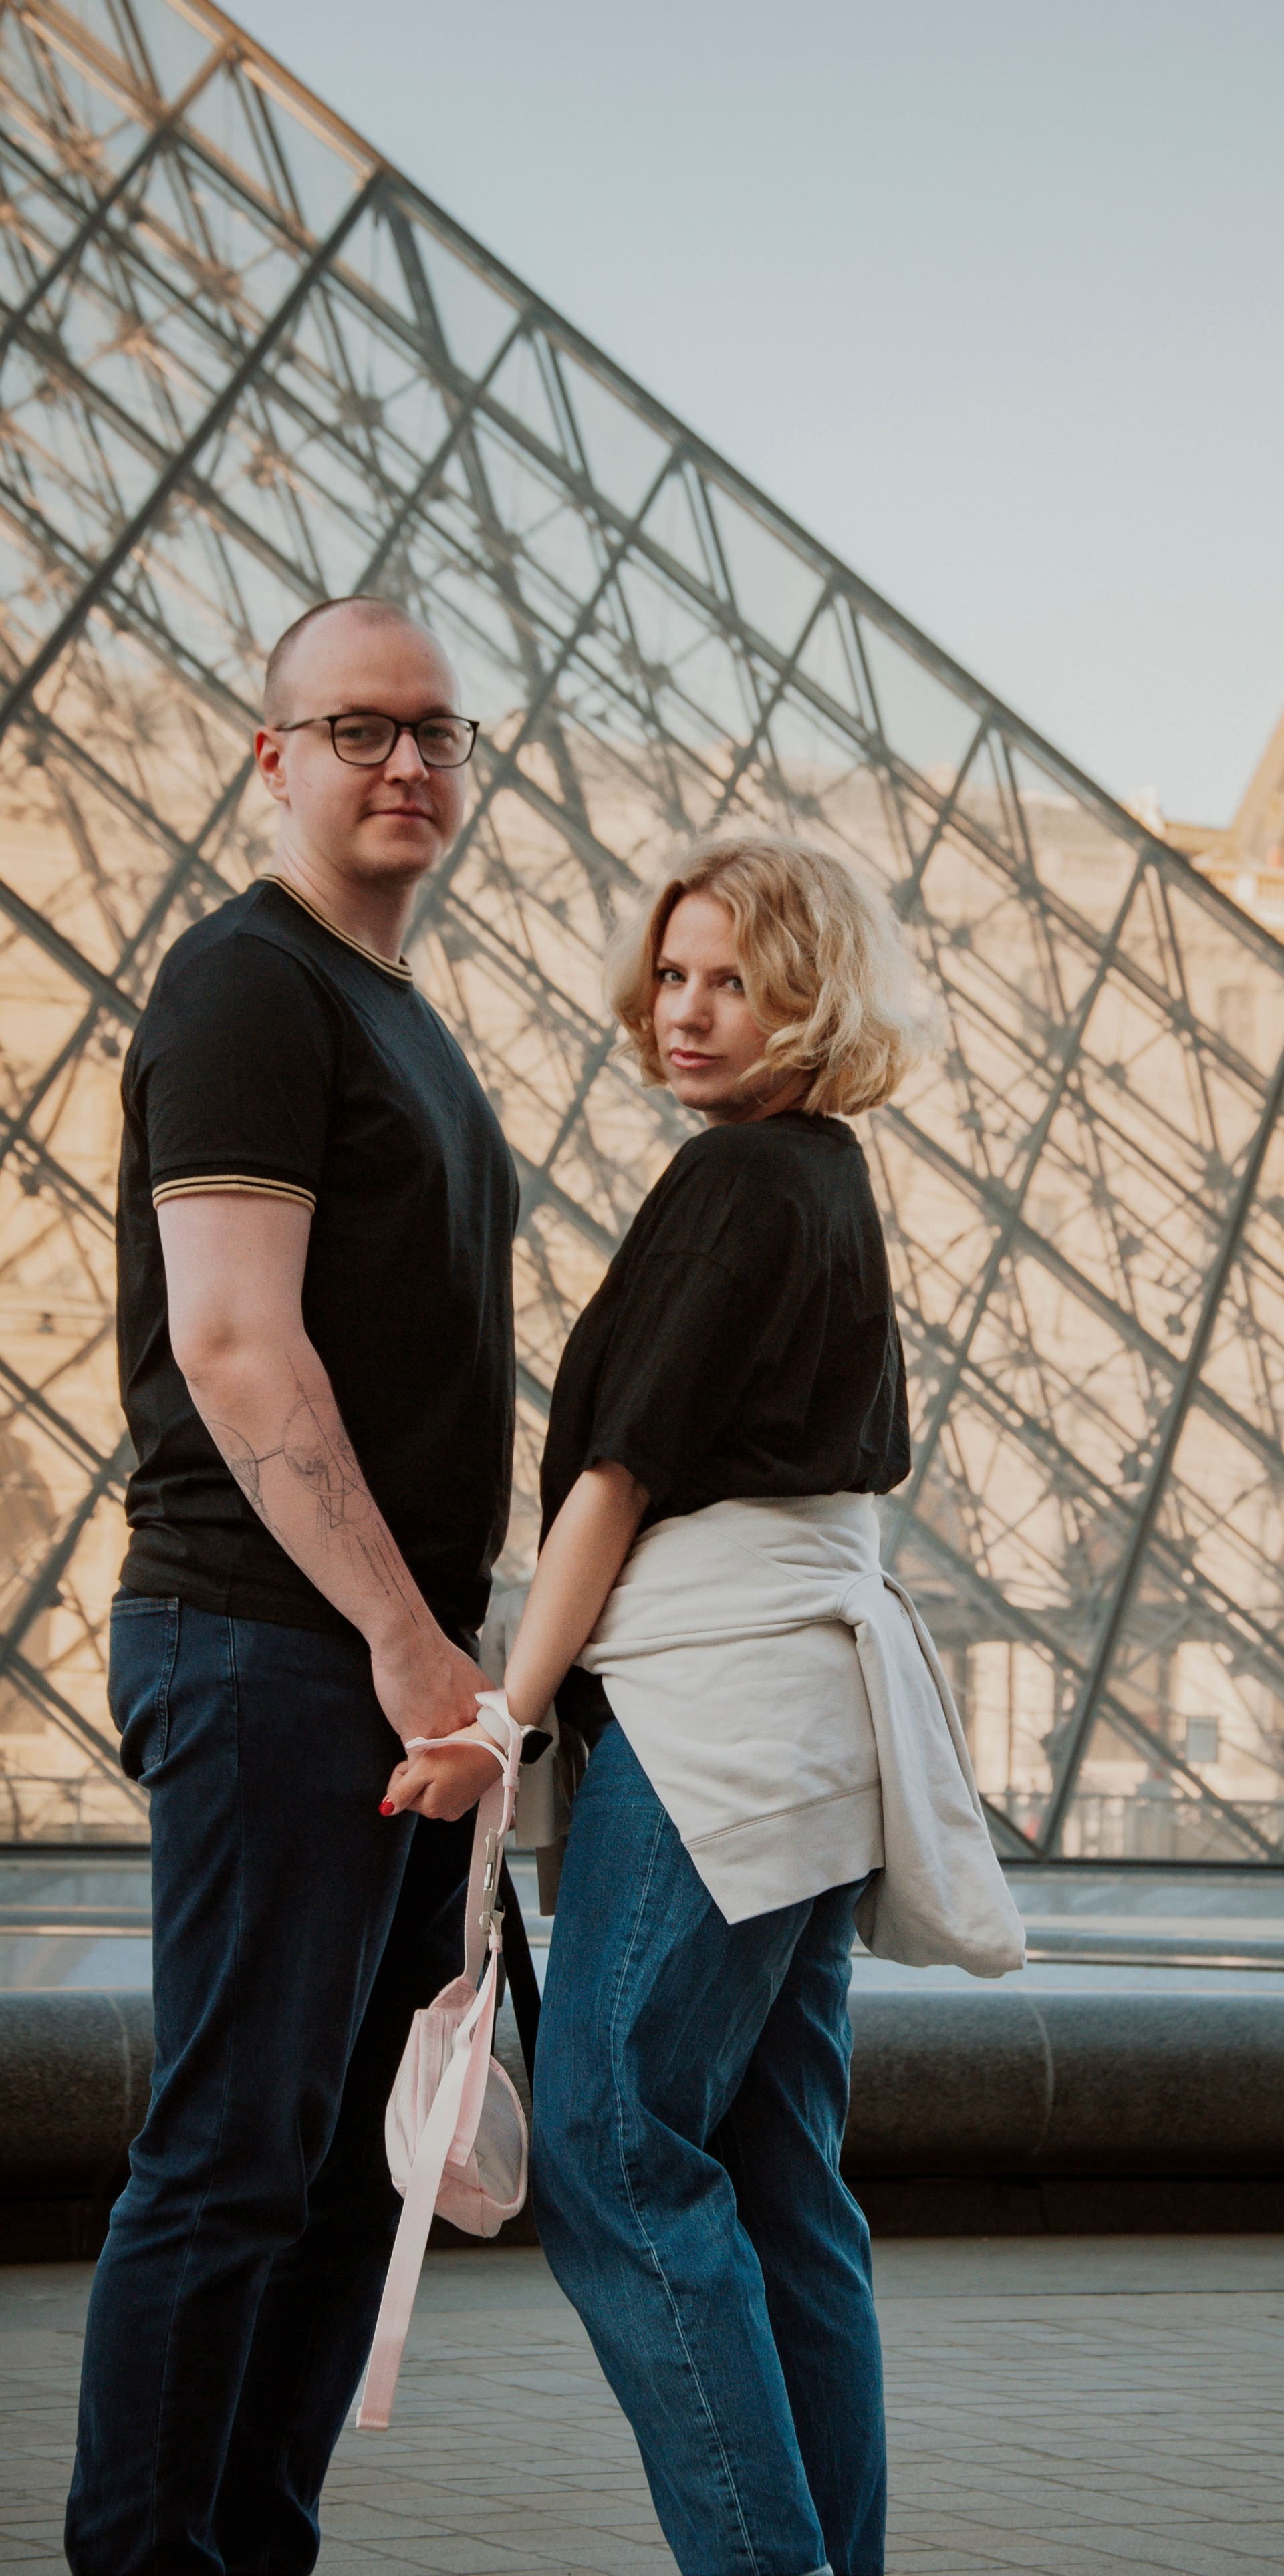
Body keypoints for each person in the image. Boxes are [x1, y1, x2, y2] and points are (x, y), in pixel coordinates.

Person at [386, 827, 1021, 2576]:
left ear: (808, 992)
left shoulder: (739, 1181)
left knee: (608, 2141)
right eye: (672, 973)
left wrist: (499, 1717)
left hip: (714, 1728)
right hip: (815, 1736)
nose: (686, 1009)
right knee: (780, 2176)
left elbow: (612, 1482)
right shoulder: (828, 1176)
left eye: (734, 979)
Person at [66, 595, 520, 2576]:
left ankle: (251, 2553)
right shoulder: (251, 988)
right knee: (238, 2157)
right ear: (274, 759)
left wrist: (449, 1655)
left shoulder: (396, 1010)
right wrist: (417, 1640)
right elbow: (239, 1348)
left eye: (437, 734)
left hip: (375, 1665)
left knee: (345, 2173)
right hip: (273, 1643)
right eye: (357, 729)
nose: (406, 762)